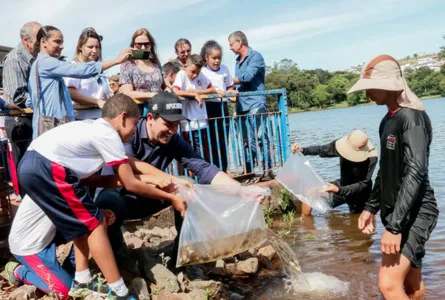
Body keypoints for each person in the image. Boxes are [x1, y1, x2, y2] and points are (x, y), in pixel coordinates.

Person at [11, 93, 190, 299]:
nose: (133, 132)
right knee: (95, 223)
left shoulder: (92, 130)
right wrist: (171, 198)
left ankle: (82, 279)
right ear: (123, 117)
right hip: (46, 166)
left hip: (34, 163)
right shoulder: (108, 135)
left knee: (87, 219)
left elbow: (103, 180)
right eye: (134, 124)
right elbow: (130, 184)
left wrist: (153, 180)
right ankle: (119, 290)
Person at [95, 92, 252, 276]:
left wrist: (242, 191)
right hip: (122, 196)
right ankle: (118, 259)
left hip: (153, 195)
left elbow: (203, 168)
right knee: (108, 201)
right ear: (151, 118)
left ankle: (182, 258)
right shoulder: (130, 131)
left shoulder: (173, 139)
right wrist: (167, 179)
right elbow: (127, 165)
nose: (172, 131)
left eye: (177, 125)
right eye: (168, 124)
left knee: (189, 187)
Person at [350, 54, 438, 300]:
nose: (367, 93)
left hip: (417, 212)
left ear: (391, 85)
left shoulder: (412, 118)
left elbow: (416, 170)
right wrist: (370, 207)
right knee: (411, 285)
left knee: (388, 284)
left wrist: (395, 227)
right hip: (398, 211)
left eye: (371, 87)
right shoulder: (387, 120)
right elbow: (385, 171)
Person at [27, 25, 132, 139]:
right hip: (51, 127)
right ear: (43, 42)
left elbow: (30, 101)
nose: (61, 46)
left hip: (53, 125)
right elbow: (81, 70)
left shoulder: (41, 65)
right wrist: (116, 61)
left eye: (62, 42)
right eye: (57, 42)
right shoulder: (46, 63)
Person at [291, 130, 378, 216]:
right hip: (343, 184)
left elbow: (363, 184)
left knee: (361, 222)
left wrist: (338, 190)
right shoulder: (342, 145)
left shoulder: (371, 157)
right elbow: (323, 150)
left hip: (360, 193)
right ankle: (305, 223)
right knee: (311, 193)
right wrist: (303, 150)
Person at [2, 21, 41, 196]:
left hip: (33, 119)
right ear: (26, 40)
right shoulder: (15, 58)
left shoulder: (36, 59)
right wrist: (44, 99)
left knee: (37, 169)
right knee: (27, 171)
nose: (43, 42)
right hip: (21, 123)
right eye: (40, 39)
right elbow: (18, 96)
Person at [228, 31, 272, 180]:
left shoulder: (256, 56)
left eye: (231, 44)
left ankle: (268, 169)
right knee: (247, 141)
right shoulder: (237, 61)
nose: (230, 48)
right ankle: (249, 170)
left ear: (239, 42)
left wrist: (227, 80)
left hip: (256, 103)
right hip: (242, 105)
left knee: (261, 137)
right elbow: (239, 83)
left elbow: (247, 76)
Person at [200, 40, 237, 171]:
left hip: (223, 107)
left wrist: (232, 92)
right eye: (214, 58)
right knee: (210, 141)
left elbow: (230, 87)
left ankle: (224, 168)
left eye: (219, 58)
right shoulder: (202, 71)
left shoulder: (225, 69)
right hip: (208, 107)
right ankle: (212, 169)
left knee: (223, 139)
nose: (217, 61)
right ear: (206, 58)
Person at [172, 54, 216, 159]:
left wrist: (198, 91)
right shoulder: (181, 75)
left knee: (204, 154)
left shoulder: (201, 76)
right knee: (191, 155)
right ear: (186, 66)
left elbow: (212, 89)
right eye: (193, 72)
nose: (195, 75)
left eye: (198, 72)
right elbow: (175, 90)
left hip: (202, 122)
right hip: (188, 124)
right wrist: (192, 94)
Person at [64, 27, 109, 120]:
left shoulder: (100, 69)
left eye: (97, 47)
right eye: (90, 47)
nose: (95, 51)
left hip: (101, 117)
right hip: (81, 118)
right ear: (80, 46)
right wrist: (97, 102)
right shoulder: (74, 67)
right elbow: (71, 93)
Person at [119, 28, 163, 101]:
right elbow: (127, 92)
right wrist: (152, 95)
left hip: (159, 107)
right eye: (139, 44)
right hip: (138, 109)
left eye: (146, 44)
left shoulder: (156, 62)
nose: (143, 47)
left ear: (151, 45)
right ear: (133, 45)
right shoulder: (127, 64)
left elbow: (164, 85)